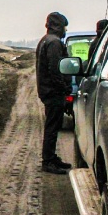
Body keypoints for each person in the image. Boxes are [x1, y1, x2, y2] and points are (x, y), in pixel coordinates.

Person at [36, 12, 73, 174]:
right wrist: (64, 88)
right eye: (64, 26)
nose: (65, 29)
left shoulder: (46, 41)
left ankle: (51, 157)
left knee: (53, 126)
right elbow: (56, 70)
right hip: (53, 92)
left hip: (48, 90)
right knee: (52, 127)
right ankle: (48, 161)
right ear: (59, 26)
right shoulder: (54, 43)